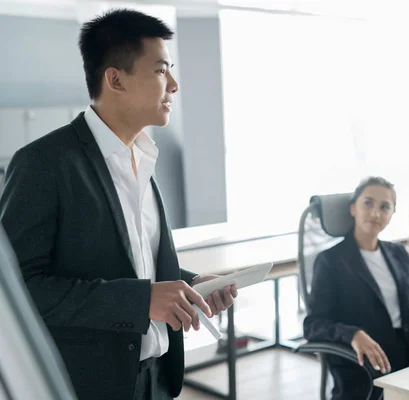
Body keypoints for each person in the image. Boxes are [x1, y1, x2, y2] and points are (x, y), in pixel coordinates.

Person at [0, 9, 237, 400]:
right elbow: (19, 294)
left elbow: (133, 261)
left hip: (156, 379)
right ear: (115, 79)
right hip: (89, 385)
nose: (174, 85)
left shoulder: (143, 158)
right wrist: (141, 301)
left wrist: (192, 285)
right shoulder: (43, 163)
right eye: (161, 71)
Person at [303, 177, 409, 400]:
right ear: (353, 208)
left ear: (392, 214)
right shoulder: (331, 261)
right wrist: (353, 334)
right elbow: (313, 325)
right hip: (365, 366)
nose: (375, 213)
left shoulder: (398, 254)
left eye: (385, 207)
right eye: (368, 203)